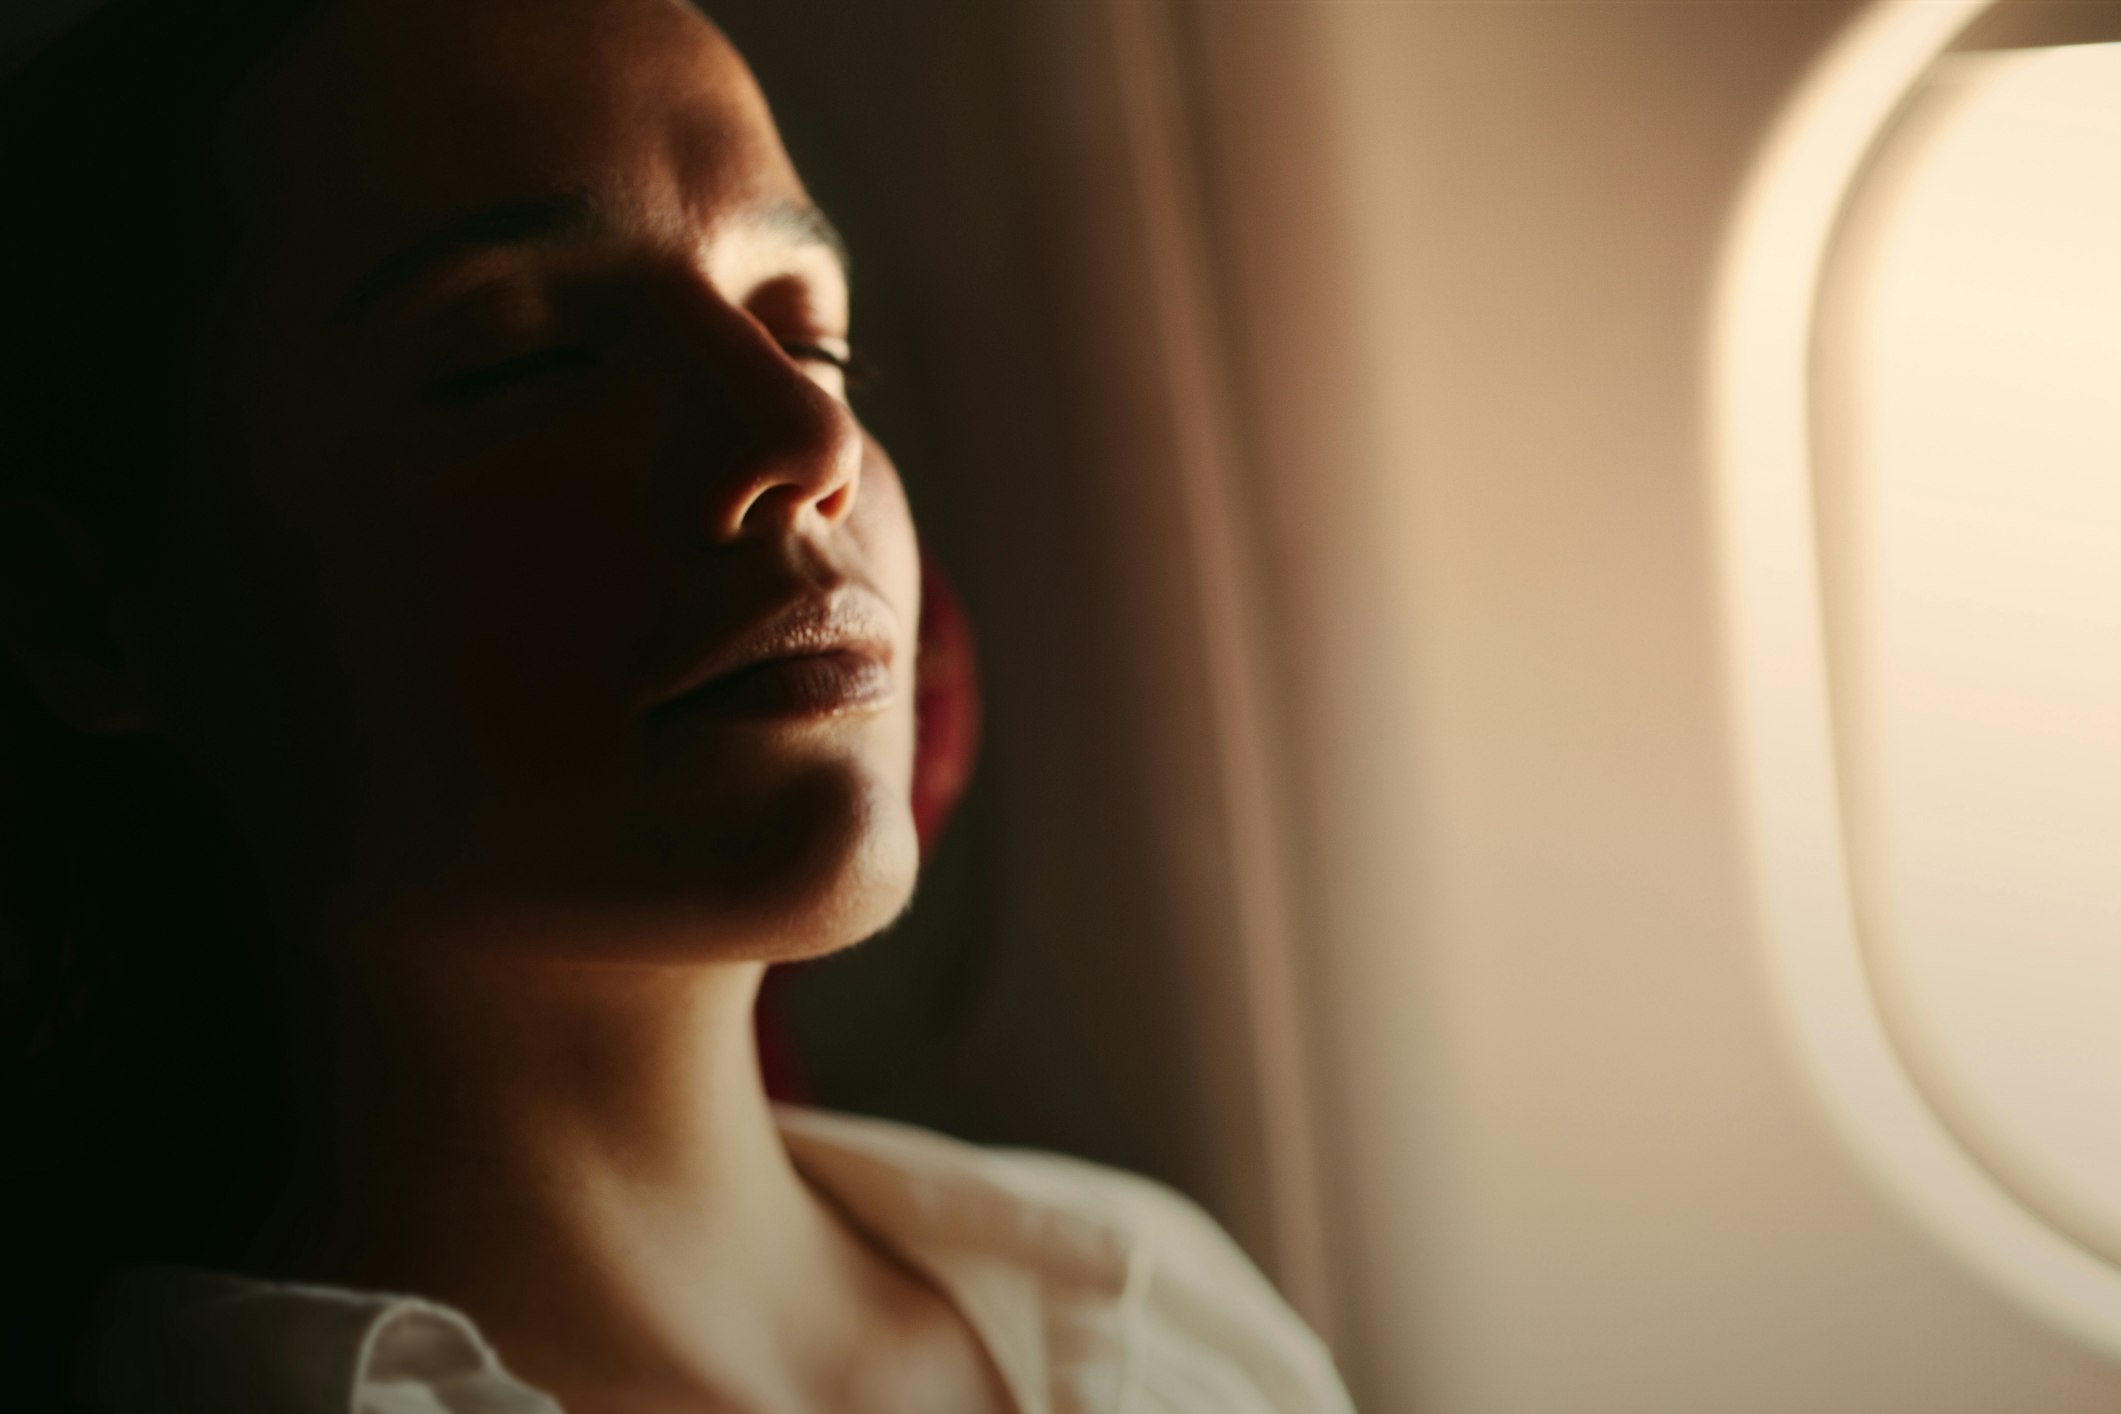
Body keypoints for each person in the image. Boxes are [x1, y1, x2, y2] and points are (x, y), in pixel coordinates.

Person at [0, 0, 1356, 1409]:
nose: (805, 435)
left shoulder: (1150, 1302)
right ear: (88, 616)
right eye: (522, 359)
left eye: (808, 335)